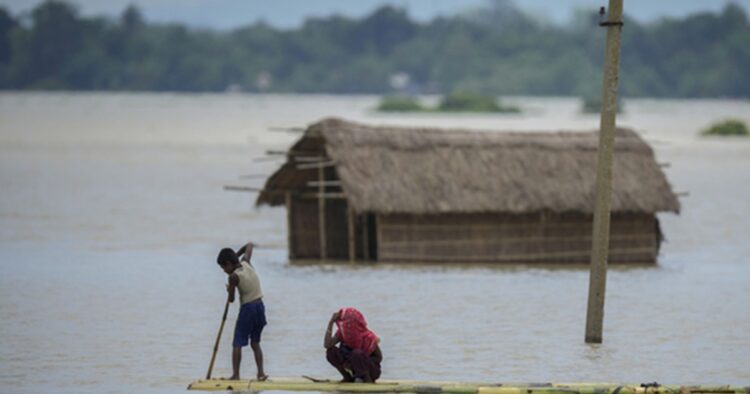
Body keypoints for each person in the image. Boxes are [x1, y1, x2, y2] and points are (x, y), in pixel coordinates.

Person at [216, 242, 268, 381]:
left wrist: (229, 290)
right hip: (260, 307)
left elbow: (231, 299)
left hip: (248, 309)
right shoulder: (246, 262)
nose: (224, 270)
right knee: (255, 342)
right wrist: (237, 256)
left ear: (228, 263)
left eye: (223, 267)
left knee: (237, 343)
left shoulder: (233, 277)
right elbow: (249, 245)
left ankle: (236, 375)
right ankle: (261, 373)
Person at [323, 307, 382, 383]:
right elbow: (327, 345)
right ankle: (347, 377)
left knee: (357, 354)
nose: (348, 327)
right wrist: (330, 323)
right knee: (331, 352)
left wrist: (358, 362)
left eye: (350, 324)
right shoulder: (342, 333)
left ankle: (367, 380)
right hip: (352, 369)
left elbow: (379, 358)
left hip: (370, 371)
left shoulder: (368, 337)